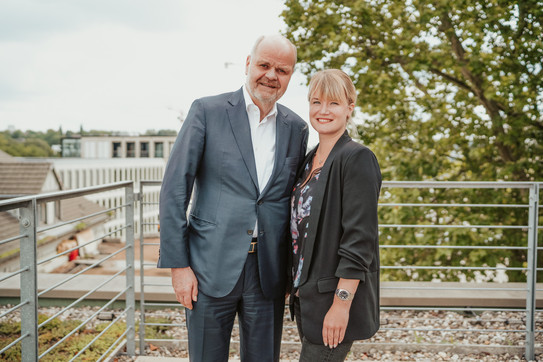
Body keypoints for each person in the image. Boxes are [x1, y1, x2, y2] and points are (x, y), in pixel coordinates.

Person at [158, 34, 309, 362]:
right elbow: (174, 191)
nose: (271, 75)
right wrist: (178, 265)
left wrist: (291, 272)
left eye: (281, 70)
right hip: (207, 267)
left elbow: (290, 201)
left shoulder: (297, 128)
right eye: (264, 65)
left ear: (290, 76)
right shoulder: (207, 111)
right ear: (247, 64)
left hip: (267, 273)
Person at [289, 69, 381, 361]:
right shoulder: (308, 160)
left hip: (333, 302)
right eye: (316, 102)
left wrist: (341, 306)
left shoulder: (356, 158)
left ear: (350, 107)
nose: (323, 111)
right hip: (307, 299)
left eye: (333, 103)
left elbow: (359, 240)